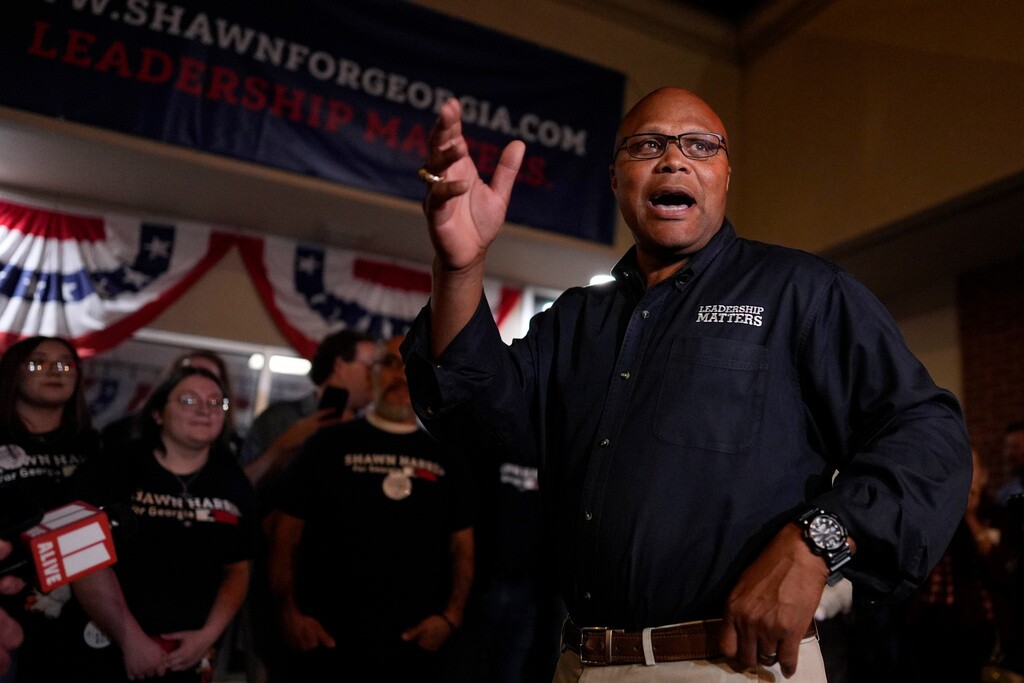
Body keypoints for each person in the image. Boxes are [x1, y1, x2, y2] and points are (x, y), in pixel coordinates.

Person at [400, 87, 972, 681]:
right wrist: (460, 268)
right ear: (616, 179)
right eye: (648, 145)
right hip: (582, 663)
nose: (674, 159)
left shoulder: (802, 292)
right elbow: (475, 417)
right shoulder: (575, 320)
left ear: (725, 176)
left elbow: (928, 435)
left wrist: (815, 544)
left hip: (732, 664)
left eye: (700, 146)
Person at [269, 336, 474, 681]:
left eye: (414, 367)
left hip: (414, 649)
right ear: (370, 376)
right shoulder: (325, 444)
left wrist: (451, 617)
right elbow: (284, 533)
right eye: (391, 363)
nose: (402, 375)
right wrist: (288, 613)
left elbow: (463, 547)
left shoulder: (450, 459)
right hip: (327, 646)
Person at [65, 365, 257, 682]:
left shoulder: (233, 482)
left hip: (189, 653)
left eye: (215, 402)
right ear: (157, 413)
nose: (204, 411)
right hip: (105, 644)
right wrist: (130, 638)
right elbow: (84, 558)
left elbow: (238, 568)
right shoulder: (116, 466)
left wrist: (208, 635)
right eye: (188, 400)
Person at [0, 336, 100, 682]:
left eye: (64, 364)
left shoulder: (95, 447)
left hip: (75, 617)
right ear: (13, 374)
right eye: (37, 363)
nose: (53, 371)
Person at [239, 329, 376, 491]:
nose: (376, 376)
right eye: (370, 367)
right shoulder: (281, 418)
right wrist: (284, 447)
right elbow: (242, 486)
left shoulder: (368, 429)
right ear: (339, 365)